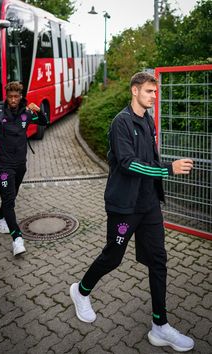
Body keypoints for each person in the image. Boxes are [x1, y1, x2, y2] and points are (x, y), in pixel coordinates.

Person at [70, 72, 195, 352]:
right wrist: (168, 169)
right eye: (150, 91)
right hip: (124, 208)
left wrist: (160, 179)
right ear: (135, 91)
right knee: (113, 257)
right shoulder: (121, 123)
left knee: (158, 261)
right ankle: (81, 291)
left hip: (148, 205)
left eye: (155, 92)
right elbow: (129, 164)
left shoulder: (148, 120)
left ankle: (160, 326)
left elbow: (149, 159)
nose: (154, 96)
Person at [0, 81, 48, 256]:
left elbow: (44, 122)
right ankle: (17, 239)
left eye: (16, 96)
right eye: (10, 97)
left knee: (11, 196)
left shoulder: (26, 113)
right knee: (9, 201)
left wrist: (39, 110)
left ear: (21, 96)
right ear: (6, 96)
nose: (13, 100)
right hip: (3, 166)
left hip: (20, 165)